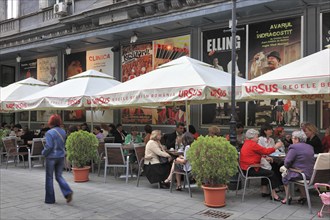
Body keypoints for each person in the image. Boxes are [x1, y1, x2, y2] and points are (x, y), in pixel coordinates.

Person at [239, 129, 283, 201]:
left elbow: (255, 153)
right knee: (271, 173)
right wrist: (275, 147)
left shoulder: (247, 143)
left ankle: (265, 191)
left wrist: (264, 157)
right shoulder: (253, 144)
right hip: (251, 169)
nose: (258, 138)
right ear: (252, 138)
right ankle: (274, 194)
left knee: (267, 170)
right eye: (256, 137)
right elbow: (266, 151)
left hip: (245, 169)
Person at [42, 114, 73, 204]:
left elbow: (49, 146)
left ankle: (50, 199)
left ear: (51, 122)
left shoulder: (49, 133)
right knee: (59, 176)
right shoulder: (63, 131)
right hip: (60, 156)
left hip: (51, 157)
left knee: (49, 177)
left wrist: (43, 153)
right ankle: (67, 191)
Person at [280, 130, 315, 205]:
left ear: (296, 139)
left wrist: (289, 167)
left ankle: (288, 197)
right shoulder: (310, 147)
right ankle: (303, 196)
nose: (291, 140)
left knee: (285, 175)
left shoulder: (294, 147)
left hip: (300, 174)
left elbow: (287, 162)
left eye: (292, 138)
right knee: (299, 174)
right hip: (310, 173)